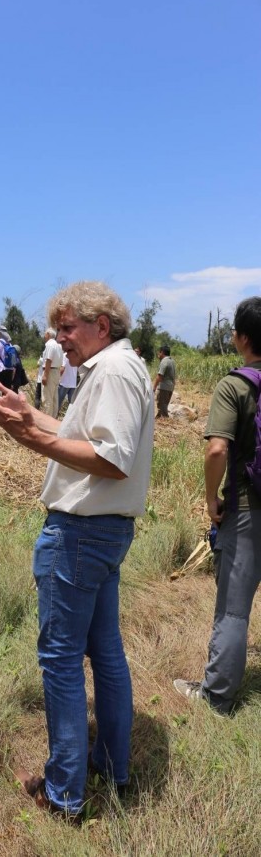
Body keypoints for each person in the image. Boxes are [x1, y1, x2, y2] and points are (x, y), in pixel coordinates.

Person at [0, 281, 154, 819]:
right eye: (58, 328)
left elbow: (111, 456)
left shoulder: (116, 372)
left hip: (79, 535)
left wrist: (34, 441)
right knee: (104, 653)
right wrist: (32, 417)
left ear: (102, 326)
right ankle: (109, 765)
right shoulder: (116, 367)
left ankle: (64, 794)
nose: (60, 338)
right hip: (102, 533)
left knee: (60, 661)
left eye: (68, 328)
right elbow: (85, 435)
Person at [174, 297, 261, 715]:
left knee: (233, 609)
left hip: (247, 509)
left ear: (243, 338)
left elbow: (216, 450)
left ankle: (217, 697)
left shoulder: (235, 385)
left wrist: (211, 499)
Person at [41, 327, 64, 417]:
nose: (44, 335)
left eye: (45, 333)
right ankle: (54, 418)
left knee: (47, 398)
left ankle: (47, 418)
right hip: (56, 372)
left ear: (48, 334)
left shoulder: (50, 345)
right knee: (54, 397)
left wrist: (45, 375)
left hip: (50, 371)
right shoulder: (58, 345)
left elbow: (48, 360)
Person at [153, 345, 176, 418]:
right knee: (163, 406)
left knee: (162, 407)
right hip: (170, 387)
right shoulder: (171, 361)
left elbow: (160, 376)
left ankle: (165, 421)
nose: (158, 355)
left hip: (164, 387)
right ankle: (159, 418)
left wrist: (154, 388)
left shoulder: (164, 361)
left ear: (162, 352)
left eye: (159, 353)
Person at [57, 348, 77, 412]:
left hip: (64, 383)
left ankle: (55, 418)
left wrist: (57, 378)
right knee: (71, 404)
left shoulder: (65, 355)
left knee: (58, 402)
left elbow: (62, 369)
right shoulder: (76, 355)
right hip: (73, 383)